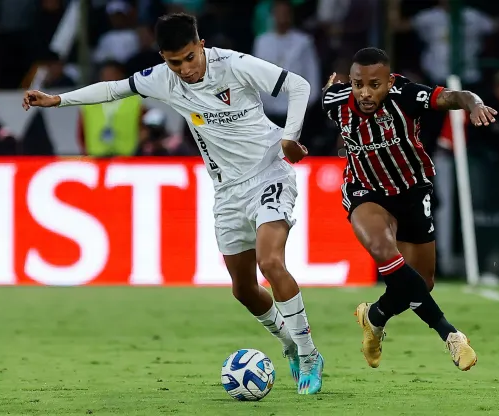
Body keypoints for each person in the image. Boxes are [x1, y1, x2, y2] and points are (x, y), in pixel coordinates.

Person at [22, 13, 324, 395]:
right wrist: (58, 99)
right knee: (243, 290)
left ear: (200, 44)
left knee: (271, 262)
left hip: (270, 174)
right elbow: (115, 89)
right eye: (173, 61)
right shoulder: (163, 78)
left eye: (188, 58)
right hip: (227, 192)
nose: (183, 69)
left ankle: (310, 354)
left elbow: (298, 85)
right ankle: (288, 344)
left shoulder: (234, 65)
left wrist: (289, 137)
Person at [322, 47, 497, 372]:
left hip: (412, 190)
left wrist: (475, 105)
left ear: (389, 82)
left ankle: (374, 316)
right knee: (382, 250)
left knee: (421, 282)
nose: (365, 92)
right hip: (366, 191)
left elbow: (455, 96)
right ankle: (450, 335)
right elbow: (340, 126)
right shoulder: (335, 101)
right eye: (358, 83)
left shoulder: (407, 94)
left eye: (374, 84)